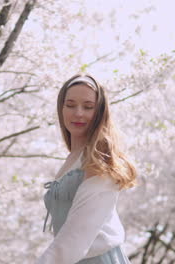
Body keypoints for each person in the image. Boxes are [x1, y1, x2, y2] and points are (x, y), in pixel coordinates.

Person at [35, 73, 137, 264]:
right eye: (71, 105)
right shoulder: (71, 160)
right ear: (61, 109)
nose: (78, 113)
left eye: (88, 107)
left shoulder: (99, 162)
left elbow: (76, 236)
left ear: (99, 112)